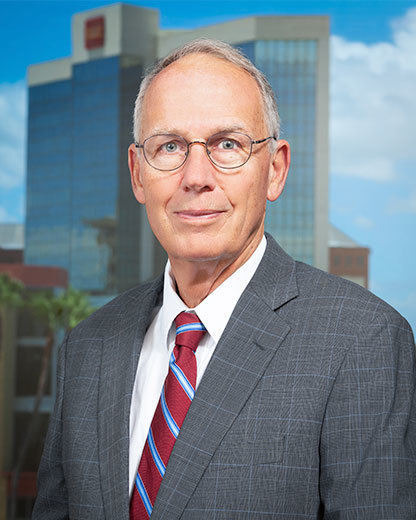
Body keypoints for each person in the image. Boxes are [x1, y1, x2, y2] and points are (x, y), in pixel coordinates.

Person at [33, 39, 416, 519]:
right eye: (169, 146)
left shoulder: (362, 340)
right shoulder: (88, 346)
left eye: (227, 144)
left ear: (275, 170)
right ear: (137, 173)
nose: (196, 177)